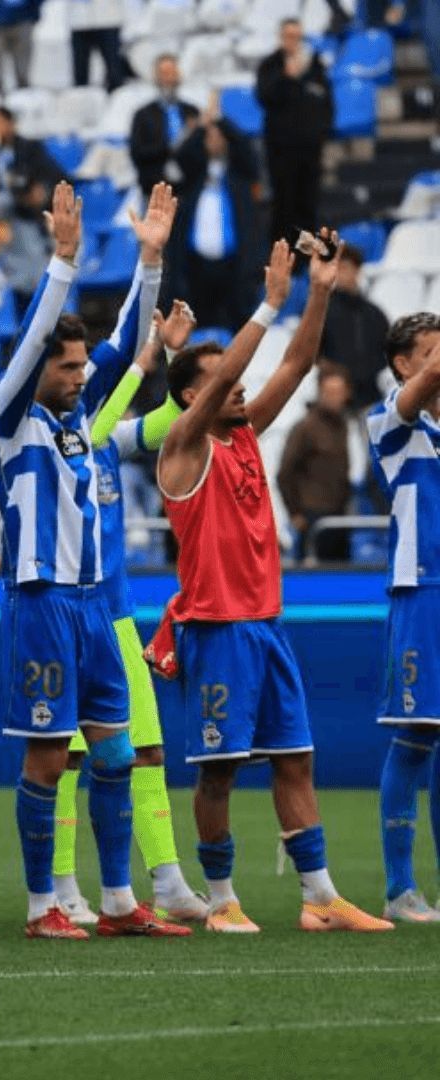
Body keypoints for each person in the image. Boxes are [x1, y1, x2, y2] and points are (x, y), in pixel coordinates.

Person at [155, 231, 391, 934]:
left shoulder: (245, 436)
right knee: (219, 770)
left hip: (265, 624)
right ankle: (221, 899)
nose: (241, 387)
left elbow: (297, 361)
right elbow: (233, 374)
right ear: (193, 394)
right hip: (216, 629)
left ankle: (320, 897)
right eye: (222, 381)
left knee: (296, 759)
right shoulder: (183, 446)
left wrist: (317, 294)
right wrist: (267, 305)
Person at [0, 182, 189, 941]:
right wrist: (63, 261)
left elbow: (129, 340)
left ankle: (118, 902)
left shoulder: (78, 424)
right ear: (36, 368)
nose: (78, 376)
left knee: (116, 755)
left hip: (94, 605)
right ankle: (43, 905)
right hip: (41, 604)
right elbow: (39, 337)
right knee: (46, 761)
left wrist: (150, 261)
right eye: (66, 367)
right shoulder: (6, 420)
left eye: (79, 368)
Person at [48, 298, 209, 927]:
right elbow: (111, 410)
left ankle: (166, 879)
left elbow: (171, 421)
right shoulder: (61, 439)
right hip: (63, 618)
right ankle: (61, 885)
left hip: (117, 617)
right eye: (76, 370)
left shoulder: (109, 441)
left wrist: (173, 358)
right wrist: (146, 354)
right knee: (64, 759)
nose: (83, 380)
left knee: (146, 750)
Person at [368, 311, 440, 922]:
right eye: (433, 350)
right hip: (421, 592)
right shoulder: (392, 421)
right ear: (403, 364)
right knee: (416, 736)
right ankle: (398, 889)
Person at [167, 119, 260, 332]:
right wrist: (201, 128)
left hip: (234, 266)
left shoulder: (239, 174)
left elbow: (248, 152)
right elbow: (180, 158)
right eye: (209, 137)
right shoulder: (193, 176)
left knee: (236, 326)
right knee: (198, 327)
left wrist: (221, 122)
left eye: (219, 136)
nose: (214, 141)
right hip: (196, 266)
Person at [256, 20, 333, 246]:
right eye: (289, 36)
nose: (293, 41)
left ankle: (306, 257)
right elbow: (264, 96)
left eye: (297, 36)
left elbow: (326, 102)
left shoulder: (314, 64)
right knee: (284, 204)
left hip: (310, 148)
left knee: (308, 203)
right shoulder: (270, 65)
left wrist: (321, 132)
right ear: (281, 37)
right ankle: (282, 254)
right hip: (281, 150)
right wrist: (286, 77)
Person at [278, 362, 359, 562]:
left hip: (341, 513)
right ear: (319, 392)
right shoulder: (304, 427)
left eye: (338, 392)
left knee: (342, 573)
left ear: (347, 393)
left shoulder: (345, 424)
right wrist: (294, 513)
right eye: (329, 392)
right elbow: (285, 473)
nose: (334, 398)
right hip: (312, 516)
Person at [324, 245, 392, 407]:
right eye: (336, 268)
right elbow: (314, 354)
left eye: (344, 268)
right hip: (335, 398)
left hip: (371, 395)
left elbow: (388, 350)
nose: (339, 274)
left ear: (357, 270)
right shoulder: (322, 312)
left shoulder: (374, 313)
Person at [128, 55, 199, 201]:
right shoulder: (143, 115)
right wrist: (169, 148)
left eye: (173, 72)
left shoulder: (191, 112)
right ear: (156, 77)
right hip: (155, 190)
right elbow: (138, 153)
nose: (169, 79)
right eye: (164, 73)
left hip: (189, 191)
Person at [67, 0, 126, 90]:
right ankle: (81, 97)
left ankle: (117, 94)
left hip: (108, 20)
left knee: (114, 71)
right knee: (80, 73)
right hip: (79, 20)